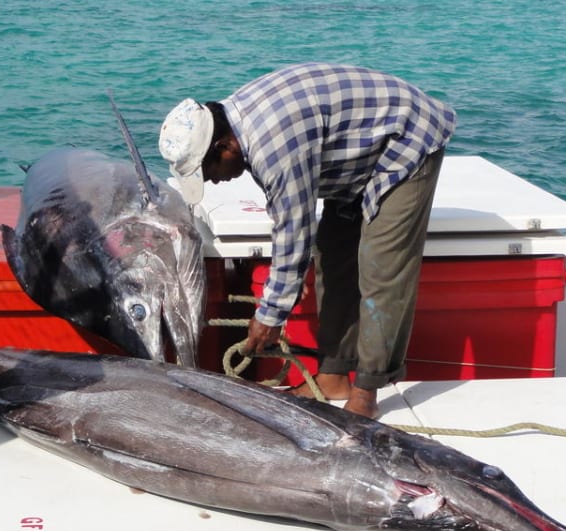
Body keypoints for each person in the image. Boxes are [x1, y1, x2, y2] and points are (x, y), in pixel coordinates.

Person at [159, 63, 455, 418]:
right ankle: (332, 376)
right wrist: (278, 300)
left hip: (406, 139)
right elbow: (297, 232)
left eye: (208, 171)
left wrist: (269, 314)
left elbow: (294, 233)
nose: (213, 182)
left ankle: (367, 391)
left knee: (382, 268)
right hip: (350, 156)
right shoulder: (235, 125)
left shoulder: (273, 148)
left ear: (226, 146)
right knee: (332, 256)